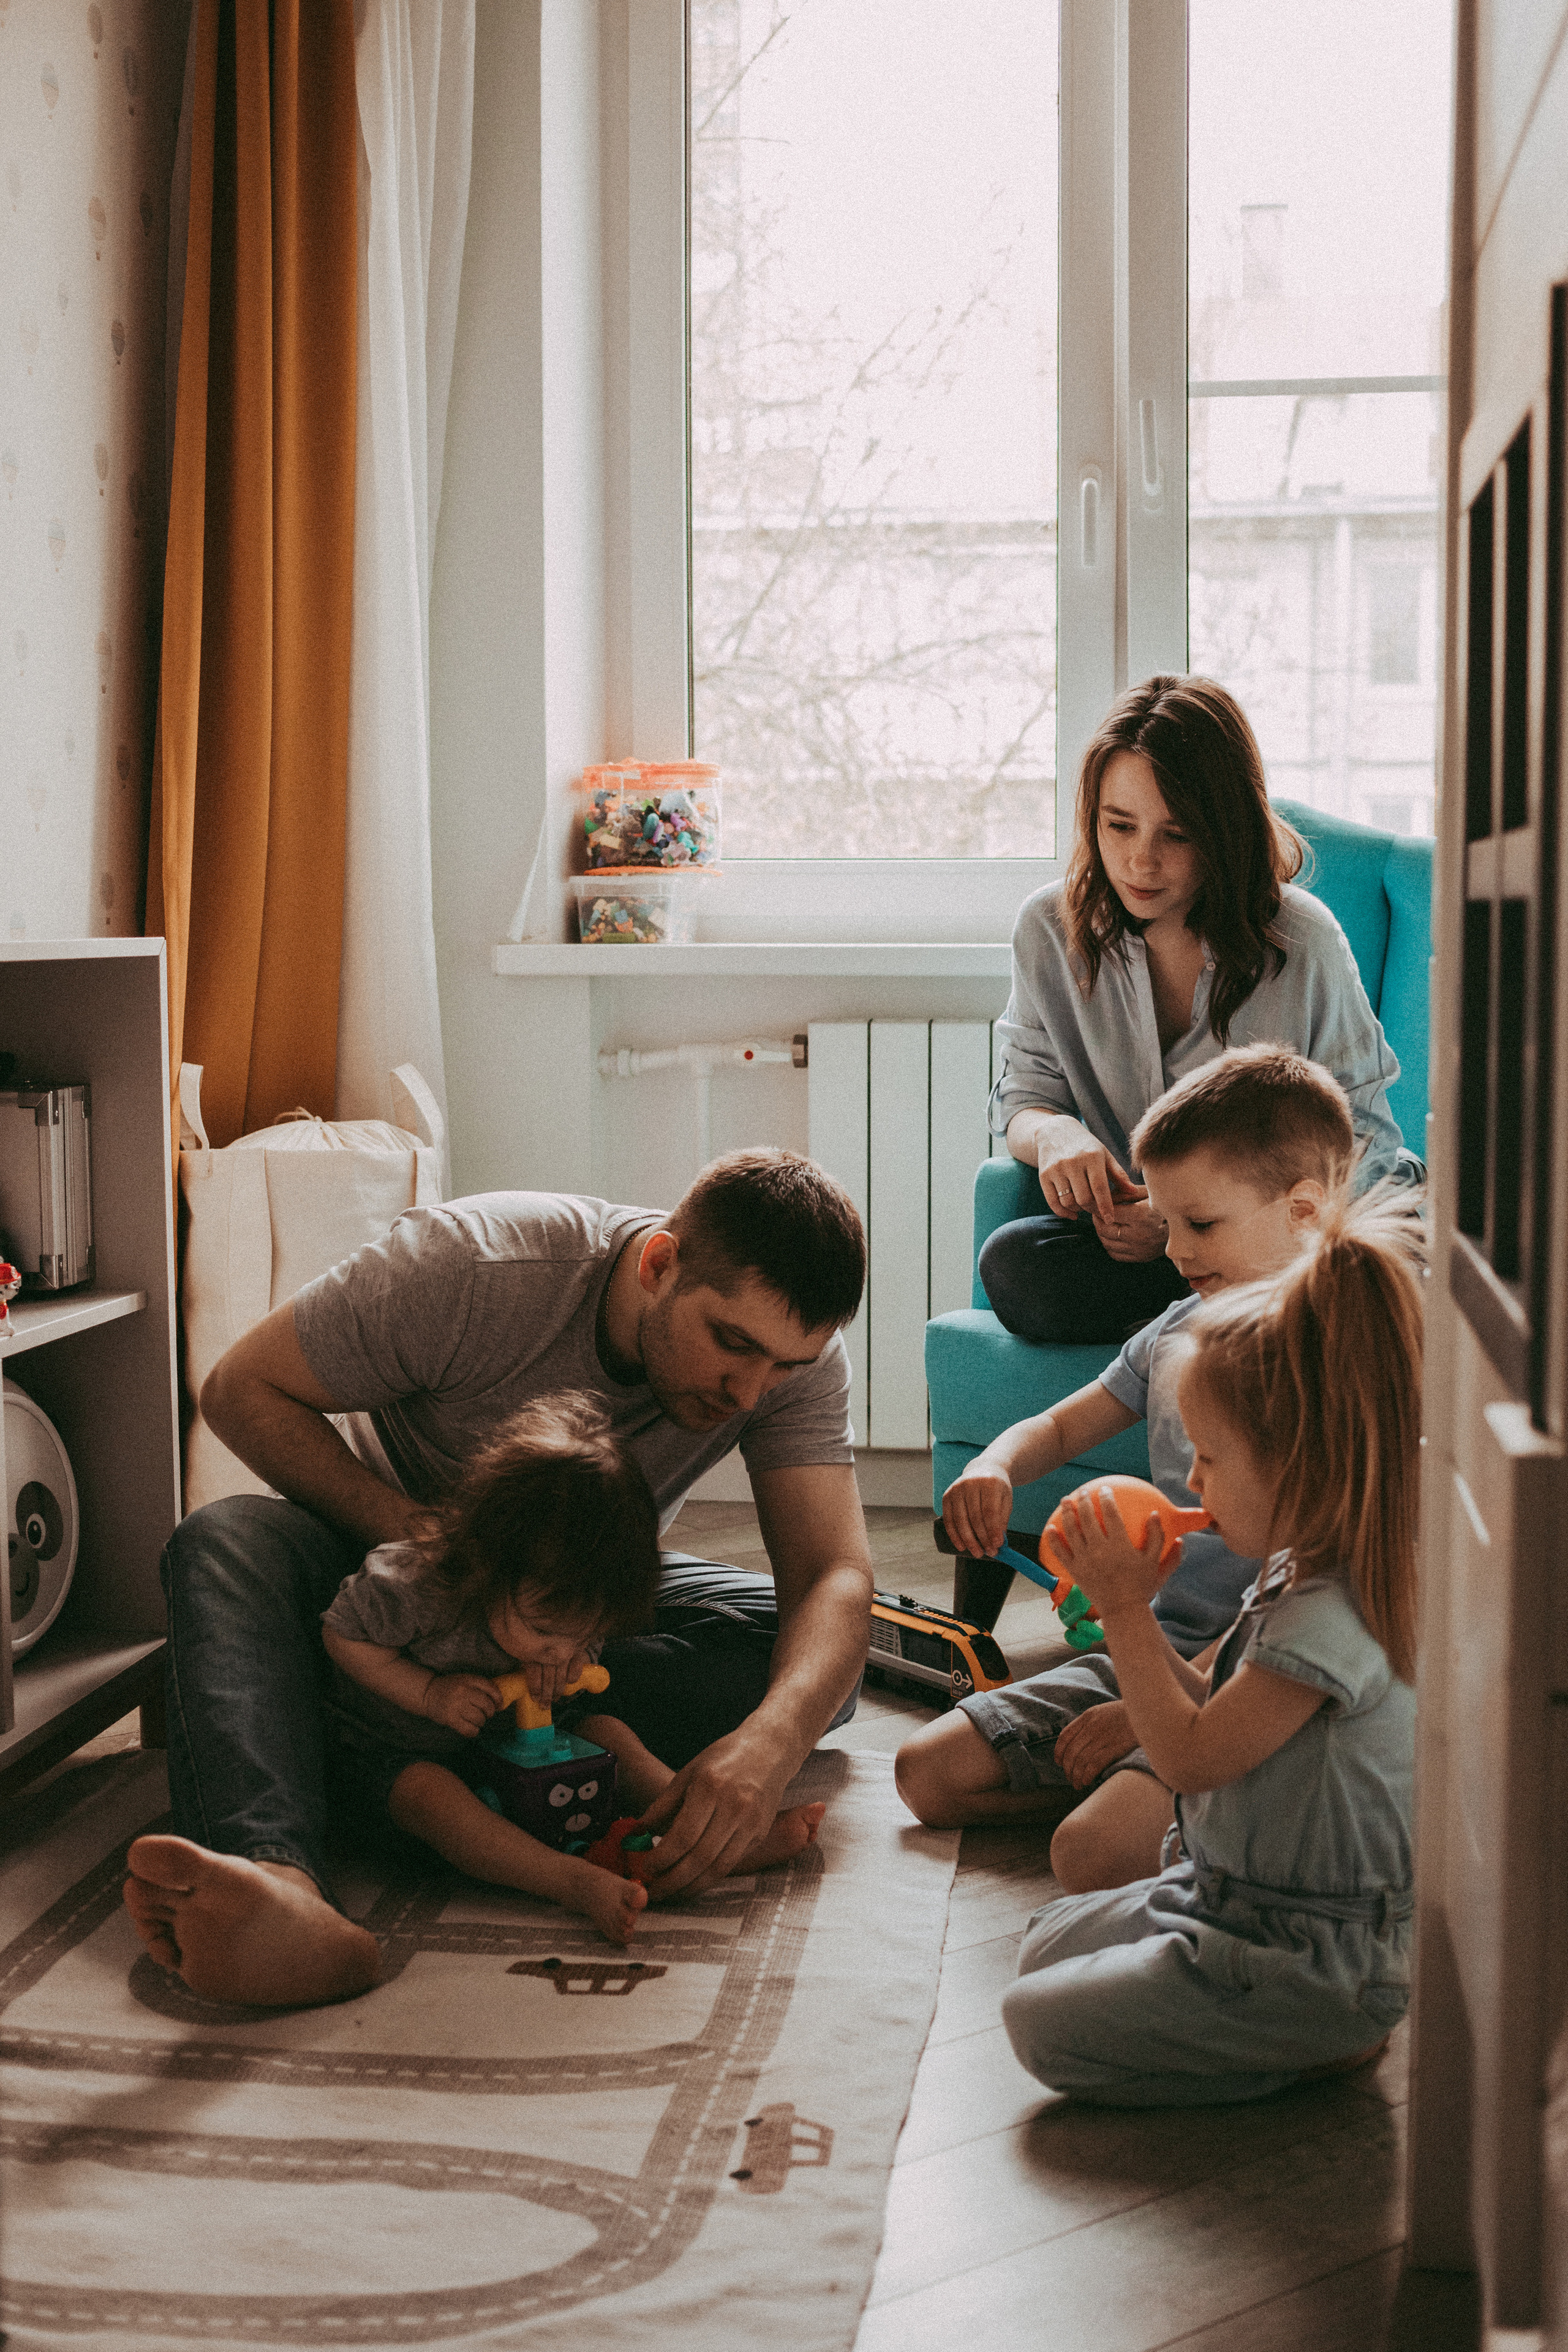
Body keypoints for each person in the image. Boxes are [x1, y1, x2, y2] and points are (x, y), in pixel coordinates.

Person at [124, 1149, 872, 2009]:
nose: (751, 1395)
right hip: (382, 1576)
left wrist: (768, 1749)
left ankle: (374, 1751)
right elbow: (239, 1389)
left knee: (804, 1664)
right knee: (220, 1542)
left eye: (785, 1366)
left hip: (562, 1618)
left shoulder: (784, 1363)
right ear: (660, 1263)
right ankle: (278, 1883)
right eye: (732, 1346)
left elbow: (833, 1574)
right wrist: (437, 1550)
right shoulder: (473, 1267)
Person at [998, 1184, 1423, 2106]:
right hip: (1229, 1893)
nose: (1191, 1479)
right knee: (1041, 1943)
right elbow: (1203, 1716)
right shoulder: (1293, 1568)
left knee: (1037, 2025)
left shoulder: (1331, 1615)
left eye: (1213, 1459)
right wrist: (1132, 1612)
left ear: (1308, 1459)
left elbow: (1190, 1758)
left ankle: (1314, 2040)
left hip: (1310, 1950)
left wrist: (1124, 1611)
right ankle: (1237, 2008)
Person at [896, 1043, 1354, 1894]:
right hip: (1148, 1645)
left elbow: (1308, 1601)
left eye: (1201, 1224)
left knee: (1090, 1856)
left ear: (1304, 1210)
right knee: (927, 1774)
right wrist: (996, 1464)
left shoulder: (1333, 1359)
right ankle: (1157, 1804)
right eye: (1167, 1222)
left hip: (1255, 1675)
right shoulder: (1177, 1328)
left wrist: (1161, 1719)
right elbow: (1065, 1424)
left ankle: (1183, 1811)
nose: (1174, 1250)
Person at [982, 673, 1408, 1349]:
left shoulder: (1302, 940)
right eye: (1118, 825)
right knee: (1015, 1266)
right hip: (1142, 1254)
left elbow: (1369, 1146)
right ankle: (1232, 1322)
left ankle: (1229, 1313)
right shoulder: (1048, 929)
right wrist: (1055, 1135)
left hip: (1277, 1239)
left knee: (1384, 1258)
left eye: (1175, 835)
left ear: (1223, 830)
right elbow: (1025, 1102)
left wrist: (1200, 1218)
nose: (1139, 860)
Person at [318, 1397, 826, 1950]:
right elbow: (342, 1634)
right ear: (490, 1562)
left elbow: (578, 1647)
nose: (563, 1650)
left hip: (513, 1742)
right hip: (393, 1752)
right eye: (545, 1633)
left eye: (584, 1636)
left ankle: (700, 1838)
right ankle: (572, 1883)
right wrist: (429, 1692)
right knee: (433, 1794)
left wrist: (577, 1663)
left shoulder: (577, 1602)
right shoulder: (415, 1582)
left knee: (606, 1733)